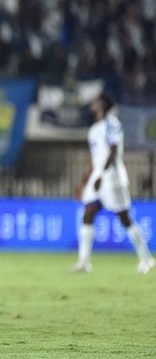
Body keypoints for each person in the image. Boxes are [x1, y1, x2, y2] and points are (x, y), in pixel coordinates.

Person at [72, 93, 155, 274]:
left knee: (124, 218)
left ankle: (146, 258)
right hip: (98, 177)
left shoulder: (112, 123)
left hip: (112, 177)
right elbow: (94, 159)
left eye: (95, 102)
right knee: (88, 213)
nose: (92, 104)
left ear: (102, 105)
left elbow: (113, 148)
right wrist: (84, 181)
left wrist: (101, 174)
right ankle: (84, 262)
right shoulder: (94, 129)